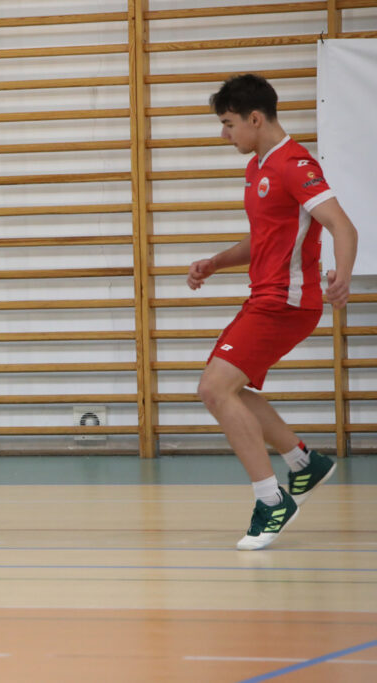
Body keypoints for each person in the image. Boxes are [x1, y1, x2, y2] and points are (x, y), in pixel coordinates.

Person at [188, 74, 358, 550]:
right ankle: (305, 463)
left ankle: (272, 501)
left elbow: (342, 226)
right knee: (231, 390)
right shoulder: (257, 167)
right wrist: (216, 262)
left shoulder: (294, 164)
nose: (224, 135)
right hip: (265, 297)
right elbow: (264, 237)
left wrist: (343, 276)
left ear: (255, 119)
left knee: (214, 389)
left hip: (286, 302)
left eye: (229, 124)